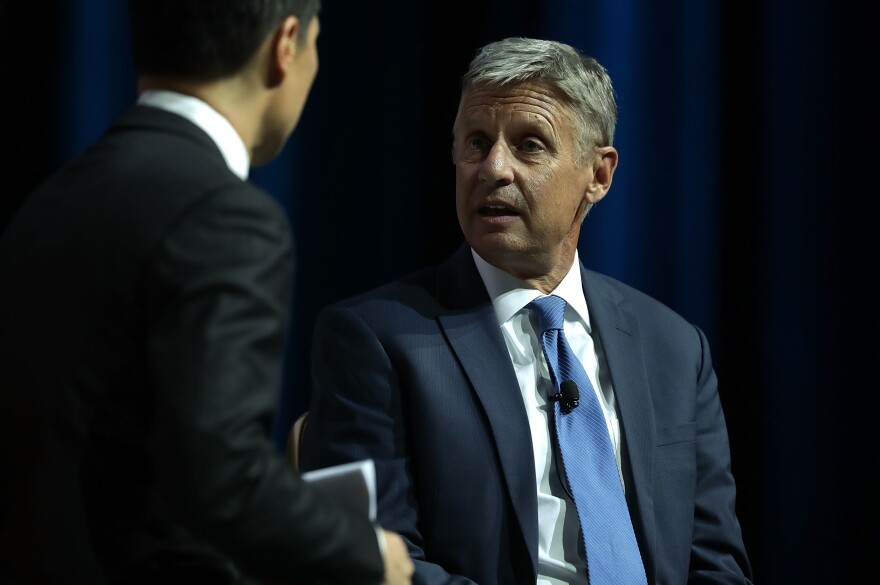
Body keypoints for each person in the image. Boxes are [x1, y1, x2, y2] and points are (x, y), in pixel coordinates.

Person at [300, 37, 753, 584]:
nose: (493, 168)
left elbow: (716, 564)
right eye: (475, 143)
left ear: (599, 175)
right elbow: (373, 562)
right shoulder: (375, 338)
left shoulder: (676, 349)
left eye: (529, 145)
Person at [0, 1, 414, 584]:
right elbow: (218, 477)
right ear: (286, 45)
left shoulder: (46, 204)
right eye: (318, 41)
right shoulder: (225, 216)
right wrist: (368, 554)